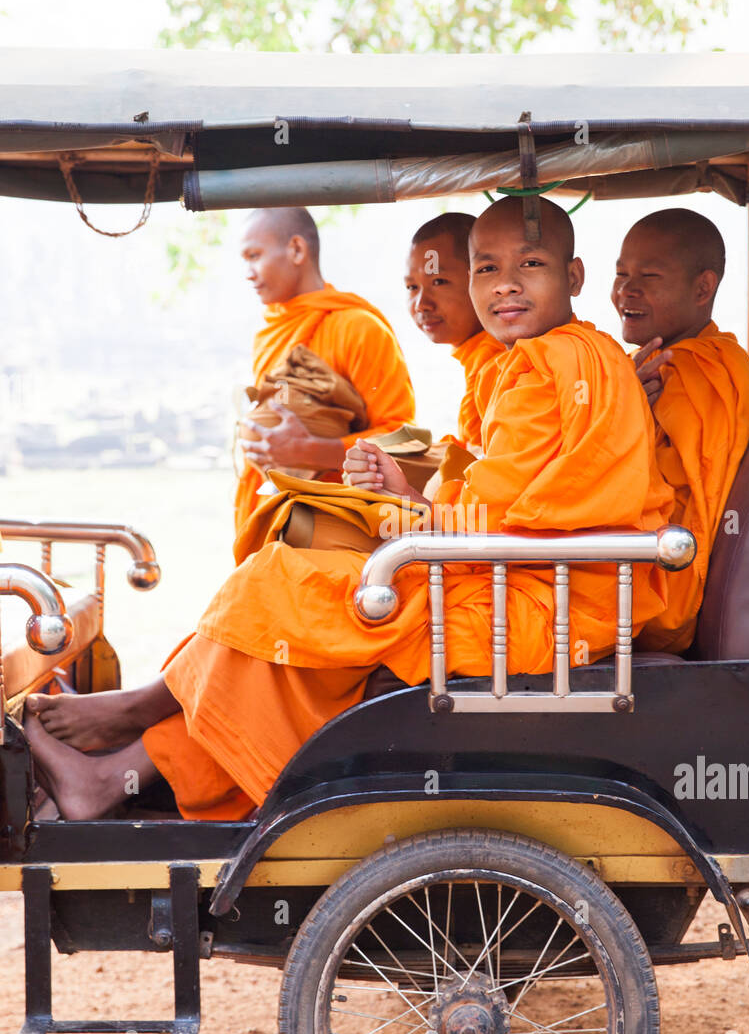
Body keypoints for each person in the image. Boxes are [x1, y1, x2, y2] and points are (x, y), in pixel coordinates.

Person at [26, 197, 674, 822]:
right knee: (287, 608)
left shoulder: (541, 366)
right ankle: (118, 766)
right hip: (545, 583)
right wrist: (410, 491)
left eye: (528, 265)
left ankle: (133, 728)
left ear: (573, 275)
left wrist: (411, 501)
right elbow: (506, 488)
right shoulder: (568, 357)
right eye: (487, 269)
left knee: (276, 584)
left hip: (538, 601)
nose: (504, 286)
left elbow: (493, 509)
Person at [613, 207, 749, 652]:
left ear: (703, 287)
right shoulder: (656, 365)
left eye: (649, 276)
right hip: (637, 561)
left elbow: (650, 493)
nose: (626, 290)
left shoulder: (694, 368)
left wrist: (619, 408)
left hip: (655, 585)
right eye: (620, 273)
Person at [234, 207, 415, 537]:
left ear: (297, 250)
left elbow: (403, 440)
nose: (248, 272)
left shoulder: (358, 328)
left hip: (339, 523)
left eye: (255, 255)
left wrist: (312, 451)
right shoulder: (269, 332)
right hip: (273, 510)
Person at [404, 212, 502, 449]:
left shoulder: (500, 365)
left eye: (439, 282)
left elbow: (493, 468)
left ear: (482, 278)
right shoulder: (479, 360)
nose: (421, 304)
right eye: (412, 287)